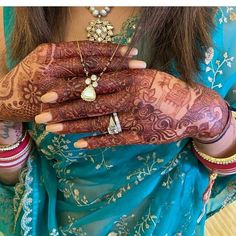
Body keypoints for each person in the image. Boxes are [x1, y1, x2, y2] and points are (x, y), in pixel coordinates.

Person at [0, 6, 236, 236]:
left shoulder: (224, 19)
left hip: (167, 220)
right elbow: (15, 180)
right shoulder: (17, 11)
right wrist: (5, 109)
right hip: (41, 220)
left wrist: (211, 119)